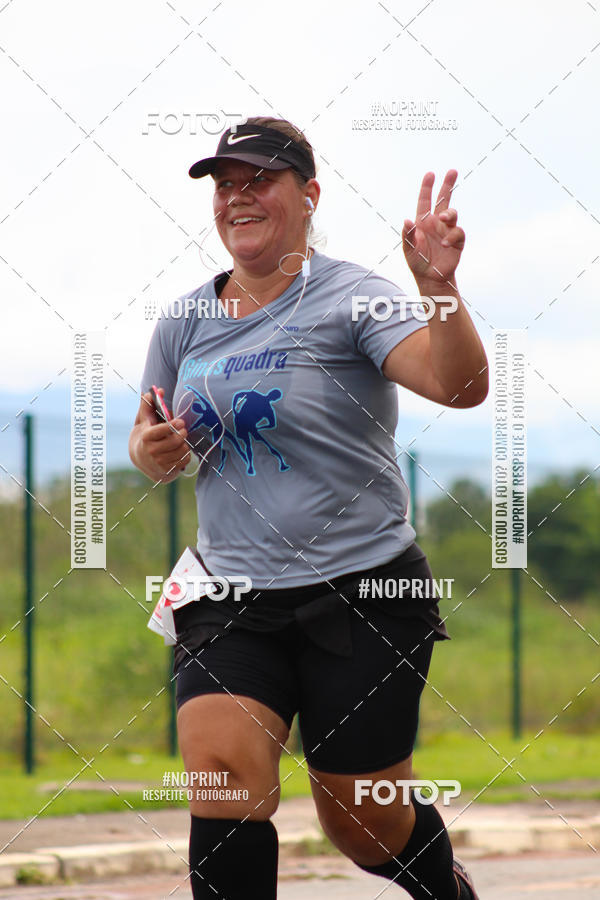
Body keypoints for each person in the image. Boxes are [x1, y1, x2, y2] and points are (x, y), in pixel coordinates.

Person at [129, 115, 487, 899]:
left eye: (259, 179)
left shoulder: (356, 297)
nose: (238, 197)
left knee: (362, 821)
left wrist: (440, 292)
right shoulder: (184, 320)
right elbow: (149, 436)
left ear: (308, 193)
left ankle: (444, 888)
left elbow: (458, 387)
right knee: (220, 777)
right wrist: (153, 451)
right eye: (225, 184)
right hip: (228, 595)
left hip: (365, 591)